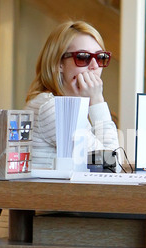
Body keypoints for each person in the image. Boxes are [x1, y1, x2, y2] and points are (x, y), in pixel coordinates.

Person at [25, 21, 121, 171]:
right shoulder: (53, 108)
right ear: (58, 63)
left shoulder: (68, 105)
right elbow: (110, 166)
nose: (94, 65)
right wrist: (97, 101)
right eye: (83, 57)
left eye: (100, 57)